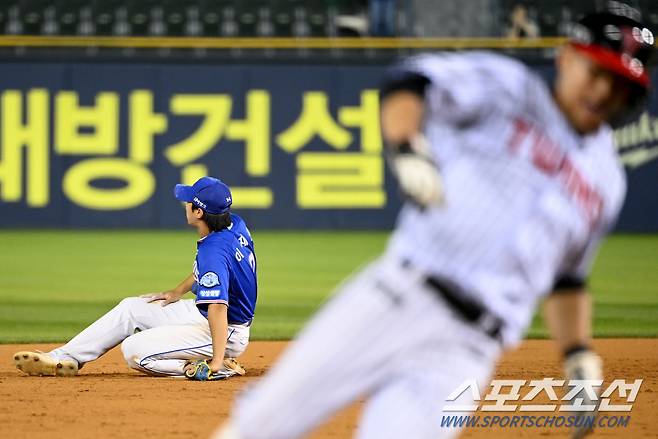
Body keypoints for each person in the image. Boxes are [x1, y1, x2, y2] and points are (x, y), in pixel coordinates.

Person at [212, 7, 654, 439]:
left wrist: (577, 356)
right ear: (566, 57)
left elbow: (568, 278)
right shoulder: (509, 88)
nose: (603, 93)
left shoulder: (605, 180)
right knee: (260, 426)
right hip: (398, 297)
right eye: (596, 73)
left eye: (619, 85)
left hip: (470, 350)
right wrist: (406, 147)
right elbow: (410, 80)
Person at [14, 176, 257, 381]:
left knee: (134, 350)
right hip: (204, 314)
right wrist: (176, 292)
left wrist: (216, 359)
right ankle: (64, 357)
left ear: (199, 211)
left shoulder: (214, 251)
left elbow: (217, 307)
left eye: (189, 202)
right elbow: (206, 274)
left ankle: (214, 368)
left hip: (226, 331)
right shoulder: (234, 223)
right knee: (131, 308)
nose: (184, 204)